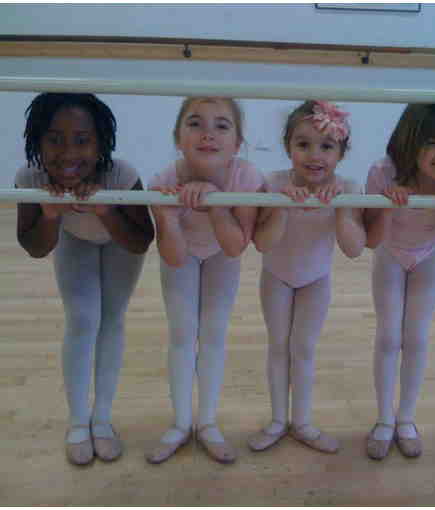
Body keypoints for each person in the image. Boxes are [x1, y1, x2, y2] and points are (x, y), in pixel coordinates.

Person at [15, 92, 155, 465]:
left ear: (101, 143)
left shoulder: (122, 175)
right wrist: (50, 215)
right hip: (74, 240)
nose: (68, 153)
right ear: (37, 140)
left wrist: (106, 211)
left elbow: (141, 240)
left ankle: (102, 420)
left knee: (111, 319)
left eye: (81, 140)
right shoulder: (29, 177)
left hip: (120, 243)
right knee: (81, 319)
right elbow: (34, 246)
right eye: (54, 139)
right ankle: (78, 422)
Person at [145, 96, 262, 464]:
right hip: (183, 253)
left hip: (221, 252)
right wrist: (166, 218)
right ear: (177, 137)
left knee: (213, 334)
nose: (208, 134)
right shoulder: (163, 181)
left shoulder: (246, 178)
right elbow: (174, 256)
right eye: (195, 124)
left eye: (221, 126)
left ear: (237, 143)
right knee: (182, 334)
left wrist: (216, 205)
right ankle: (181, 423)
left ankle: (208, 422)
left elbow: (234, 246)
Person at [247, 100, 365, 454]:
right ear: (288, 148)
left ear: (341, 153)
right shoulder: (272, 183)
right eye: (303, 144)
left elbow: (354, 248)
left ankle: (302, 422)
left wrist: (341, 210)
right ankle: (277, 420)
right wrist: (282, 207)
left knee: (303, 349)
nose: (315, 155)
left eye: (326, 146)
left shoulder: (348, 187)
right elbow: (262, 242)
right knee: (278, 345)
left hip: (316, 280)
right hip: (276, 277)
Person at [363, 103, 435, 460]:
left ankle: (406, 419)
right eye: (433, 142)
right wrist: (387, 206)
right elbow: (370, 239)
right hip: (390, 254)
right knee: (389, 336)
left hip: (431, 256)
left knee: (416, 337)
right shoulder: (383, 172)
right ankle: (384, 419)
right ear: (409, 142)